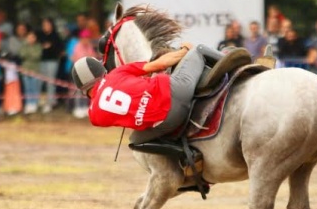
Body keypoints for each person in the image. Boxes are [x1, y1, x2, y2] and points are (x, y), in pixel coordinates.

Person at [72, 44, 247, 145]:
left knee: (135, 141)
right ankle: (244, 65)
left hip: (168, 121)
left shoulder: (94, 116)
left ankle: (185, 162)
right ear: (100, 71)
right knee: (199, 50)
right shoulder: (116, 73)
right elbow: (160, 64)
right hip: (176, 91)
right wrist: (184, 51)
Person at [37, 17, 63, 113]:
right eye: (44, 25)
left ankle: (50, 102)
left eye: (47, 25)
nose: (45, 27)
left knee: (50, 83)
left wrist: (50, 47)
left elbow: (59, 50)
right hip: (41, 62)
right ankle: (41, 102)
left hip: (52, 62)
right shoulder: (40, 36)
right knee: (41, 83)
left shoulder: (56, 36)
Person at [71, 29, 95, 118]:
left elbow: (92, 58)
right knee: (78, 91)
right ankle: (78, 107)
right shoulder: (77, 46)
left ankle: (85, 107)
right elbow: (78, 59)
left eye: (87, 38)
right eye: (84, 38)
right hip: (78, 72)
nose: (86, 40)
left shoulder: (89, 46)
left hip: (88, 73)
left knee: (87, 91)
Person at [19, 31, 43, 114]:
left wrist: (28, 55)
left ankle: (34, 104)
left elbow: (37, 56)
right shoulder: (24, 46)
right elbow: (22, 55)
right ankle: (29, 103)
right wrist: (31, 54)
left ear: (35, 38)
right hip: (25, 70)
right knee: (27, 88)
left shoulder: (38, 46)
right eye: (28, 37)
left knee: (34, 88)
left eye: (32, 37)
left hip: (35, 70)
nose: (30, 39)